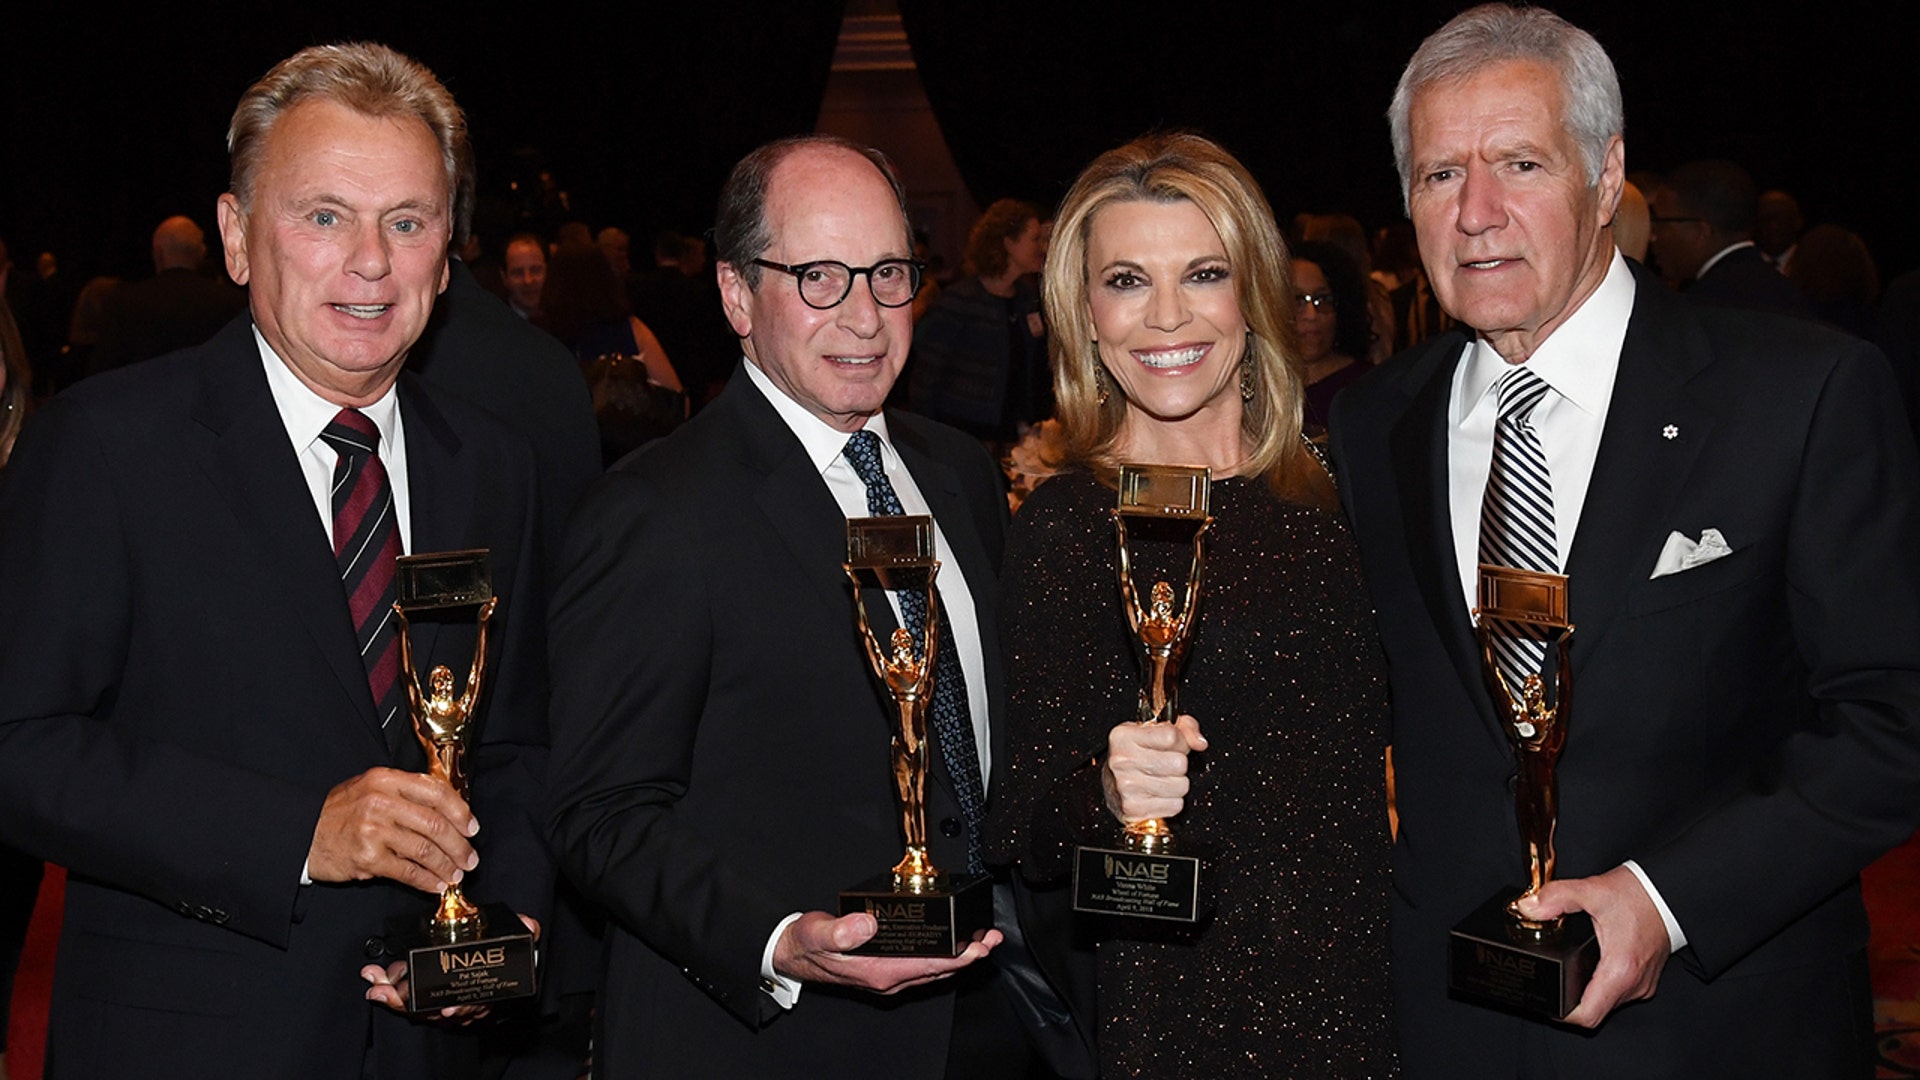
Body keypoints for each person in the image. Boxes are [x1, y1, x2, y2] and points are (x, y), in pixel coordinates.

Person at [1330, 6, 1920, 1076]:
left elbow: (1895, 717)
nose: (1476, 214)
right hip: (1449, 1024)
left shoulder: (1800, 394)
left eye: (1520, 164)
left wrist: (1665, 899)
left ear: (1606, 178)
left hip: (1716, 1026)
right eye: (1438, 175)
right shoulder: (1374, 424)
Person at [0, 43, 552, 1079]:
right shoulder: (107, 447)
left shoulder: (492, 466)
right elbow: (18, 745)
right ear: (237, 237)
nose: (372, 262)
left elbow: (517, 744)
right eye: (325, 216)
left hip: (428, 1051)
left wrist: (505, 926)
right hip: (189, 1044)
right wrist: (298, 834)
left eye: (408, 221)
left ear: (448, 253)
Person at [547, 134, 1068, 1078]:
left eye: (889, 273)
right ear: (737, 295)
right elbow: (602, 812)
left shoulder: (958, 472)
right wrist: (780, 940)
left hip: (988, 1018)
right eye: (819, 277)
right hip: (771, 1038)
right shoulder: (654, 511)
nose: (864, 316)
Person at [992, 132, 1395, 1077]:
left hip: (1364, 986)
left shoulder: (1342, 499)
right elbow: (1023, 830)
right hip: (1172, 1009)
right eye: (1127, 281)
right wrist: (1105, 787)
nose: (1166, 316)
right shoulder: (1064, 526)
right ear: (1085, 313)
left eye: (1204, 274)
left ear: (1254, 297)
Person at [907, 198, 1051, 446]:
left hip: (1010, 433)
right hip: (961, 435)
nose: (1042, 247)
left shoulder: (1026, 300)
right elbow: (926, 376)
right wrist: (923, 438)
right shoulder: (960, 301)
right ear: (1008, 242)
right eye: (1035, 239)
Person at [86, 214, 247, 377]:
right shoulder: (233, 303)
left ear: (157, 254)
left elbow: (102, 373)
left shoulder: (124, 304)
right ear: (201, 253)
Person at [1290, 239, 1375, 434]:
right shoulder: (1255, 387)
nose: (1311, 315)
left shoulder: (1368, 386)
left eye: (1323, 299)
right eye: (1297, 300)